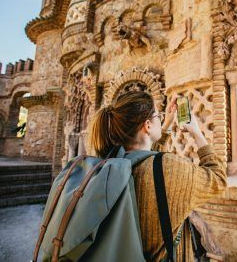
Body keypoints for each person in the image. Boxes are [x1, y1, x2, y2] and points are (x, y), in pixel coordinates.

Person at [89, 91, 227, 261]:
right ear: (147, 126)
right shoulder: (169, 167)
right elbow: (218, 178)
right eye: (157, 115)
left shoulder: (109, 164)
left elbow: (151, 162)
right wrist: (197, 133)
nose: (161, 118)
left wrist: (165, 124)